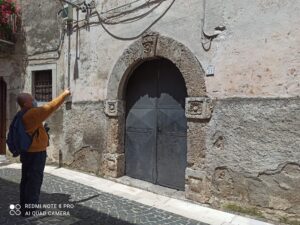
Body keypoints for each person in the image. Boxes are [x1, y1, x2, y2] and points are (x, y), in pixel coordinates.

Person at [17, 89, 71, 216]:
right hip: (35, 153)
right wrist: (64, 94)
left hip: (28, 152)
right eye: (31, 99)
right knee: (34, 181)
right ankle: (30, 209)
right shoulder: (32, 114)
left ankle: (25, 207)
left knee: (26, 179)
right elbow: (50, 107)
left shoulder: (23, 113)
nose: (34, 100)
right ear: (26, 104)